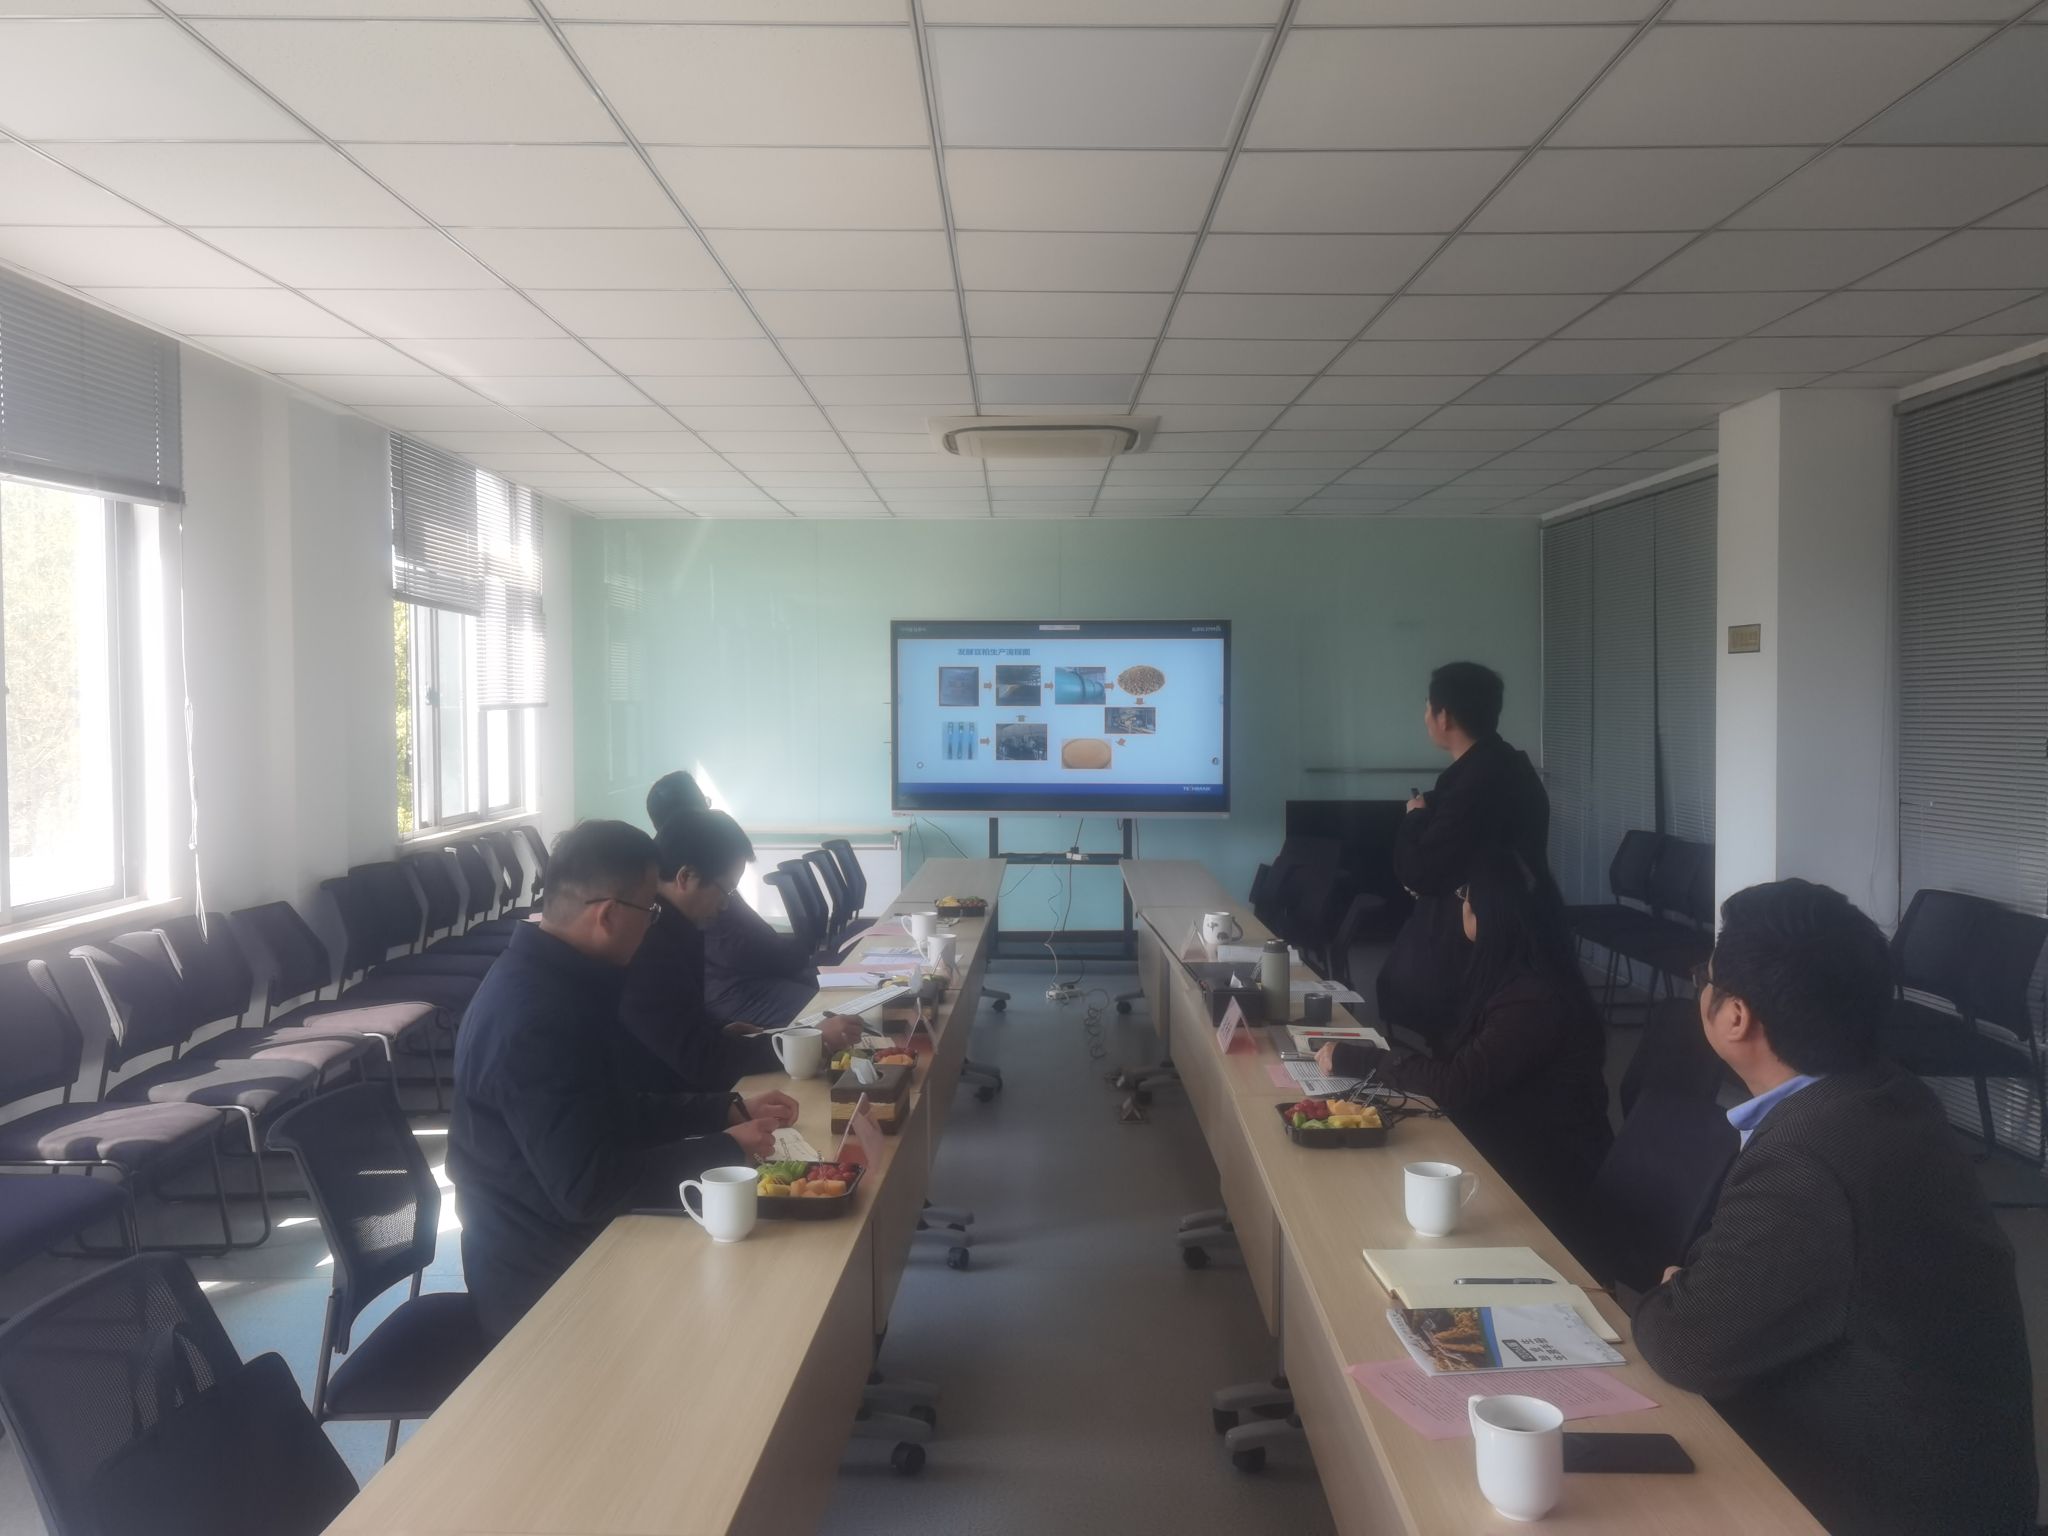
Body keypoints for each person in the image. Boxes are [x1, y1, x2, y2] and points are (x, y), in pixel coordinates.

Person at [1632, 879, 2036, 1536]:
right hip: (1954, 1483)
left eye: (1706, 978)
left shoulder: (1810, 1156)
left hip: (1879, 1503)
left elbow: (1689, 1345)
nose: (1700, 988)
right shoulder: (1887, 1092)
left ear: (1736, 1017)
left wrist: (1667, 1297)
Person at [448, 819, 799, 1342]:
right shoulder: (536, 1017)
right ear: (609, 915)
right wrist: (724, 1149)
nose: (655, 923)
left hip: (571, 1232)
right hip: (547, 1281)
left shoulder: (555, 979)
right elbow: (589, 1188)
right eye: (650, 910)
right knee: (759, 1285)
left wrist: (722, 1110)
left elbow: (609, 1106)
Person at [1316, 845, 1611, 1259]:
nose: (1462, 903)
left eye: (1466, 893)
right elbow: (1459, 1063)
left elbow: (1454, 1083)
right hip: (1510, 1141)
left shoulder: (1533, 999)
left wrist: (1359, 1058)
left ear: (1491, 911)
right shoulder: (1519, 974)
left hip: (1539, 1179)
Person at [621, 807, 865, 1090]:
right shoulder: (649, 945)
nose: (726, 904)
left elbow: (677, 1030)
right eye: (725, 890)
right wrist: (812, 1041)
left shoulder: (678, 925)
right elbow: (702, 1061)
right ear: (685, 877)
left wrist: (716, 1030)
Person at [1377, 661, 1550, 1044]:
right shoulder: (1506, 767)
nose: (1425, 716)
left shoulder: (1476, 782)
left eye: (1428, 707)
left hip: (1477, 947)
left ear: (1445, 716)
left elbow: (1421, 870)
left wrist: (1415, 819)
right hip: (1508, 935)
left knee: (1463, 1048)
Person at [647, 770, 822, 1031]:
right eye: (704, 804)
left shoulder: (690, 880)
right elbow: (744, 947)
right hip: (736, 990)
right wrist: (799, 956)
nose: (724, 903)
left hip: (741, 983)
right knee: (822, 1012)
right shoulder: (691, 896)